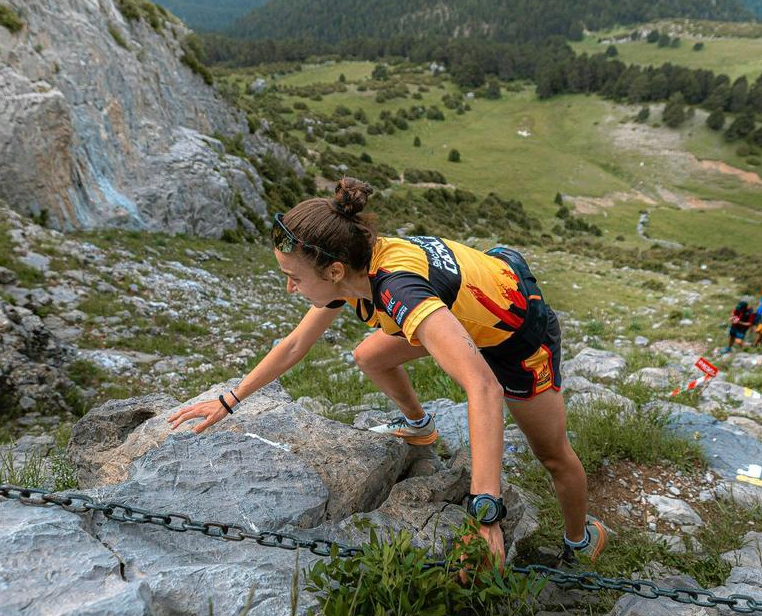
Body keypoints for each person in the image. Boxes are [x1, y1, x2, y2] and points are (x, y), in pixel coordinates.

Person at [166, 177, 607, 569]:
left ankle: (580, 540)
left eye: (293, 277)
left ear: (334, 271)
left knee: (552, 455)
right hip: (463, 310)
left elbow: (483, 387)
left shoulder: (397, 289)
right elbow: (296, 344)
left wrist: (486, 512)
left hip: (516, 336)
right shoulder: (351, 266)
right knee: (370, 355)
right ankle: (420, 427)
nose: (289, 287)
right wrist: (230, 399)